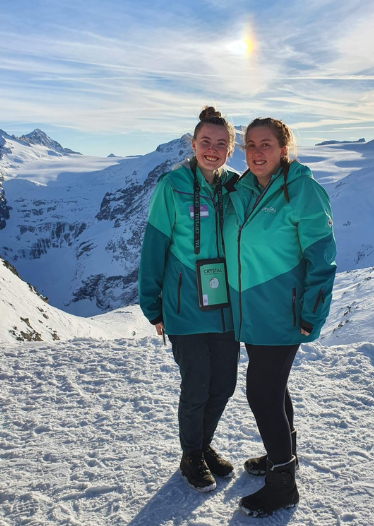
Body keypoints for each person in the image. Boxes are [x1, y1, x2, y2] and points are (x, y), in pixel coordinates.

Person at [223, 117, 337, 517]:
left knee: (262, 393)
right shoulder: (241, 189)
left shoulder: (301, 190)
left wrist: (310, 313)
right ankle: (281, 458)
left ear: (284, 149)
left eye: (266, 144)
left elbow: (322, 260)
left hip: (284, 314)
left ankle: (284, 484)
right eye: (250, 144)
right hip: (251, 312)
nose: (256, 151)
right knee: (274, 389)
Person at [138, 106, 241, 493]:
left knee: (224, 385)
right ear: (193, 143)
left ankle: (203, 444)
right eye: (205, 142)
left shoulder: (237, 185)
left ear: (230, 149)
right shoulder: (172, 185)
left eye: (220, 144)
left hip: (225, 307)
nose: (212, 150)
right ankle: (190, 455)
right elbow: (153, 248)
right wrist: (153, 305)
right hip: (183, 304)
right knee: (197, 383)